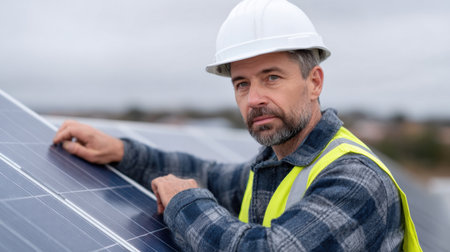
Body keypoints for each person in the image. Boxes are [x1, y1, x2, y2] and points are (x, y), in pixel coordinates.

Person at [53, 0, 422, 251]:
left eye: (272, 77)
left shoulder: (354, 180)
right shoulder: (281, 165)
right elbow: (209, 174)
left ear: (314, 83)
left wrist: (184, 202)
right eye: (242, 83)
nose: (254, 98)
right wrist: (121, 152)